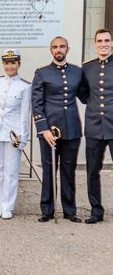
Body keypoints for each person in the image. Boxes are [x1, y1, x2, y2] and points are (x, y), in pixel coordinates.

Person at [31, 36, 83, 223]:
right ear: (50, 50)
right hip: (49, 130)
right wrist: (43, 129)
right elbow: (36, 104)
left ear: (67, 49)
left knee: (69, 170)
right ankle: (47, 209)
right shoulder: (42, 73)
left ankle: (70, 210)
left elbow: (87, 96)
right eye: (55, 47)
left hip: (72, 129)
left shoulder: (78, 72)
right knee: (48, 170)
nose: (58, 50)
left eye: (62, 47)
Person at [0, 49, 31, 220]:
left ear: (18, 64)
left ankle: (8, 206)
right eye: (7, 63)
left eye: (13, 63)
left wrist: (23, 138)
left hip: (13, 135)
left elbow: (24, 114)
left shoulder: (25, 86)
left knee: (11, 172)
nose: (9, 66)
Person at [79, 28, 113, 224]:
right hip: (93, 126)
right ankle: (96, 210)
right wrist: (92, 104)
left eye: (107, 41)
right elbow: (82, 92)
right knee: (92, 170)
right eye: (100, 41)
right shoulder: (87, 68)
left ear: (111, 43)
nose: (103, 44)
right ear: (95, 44)